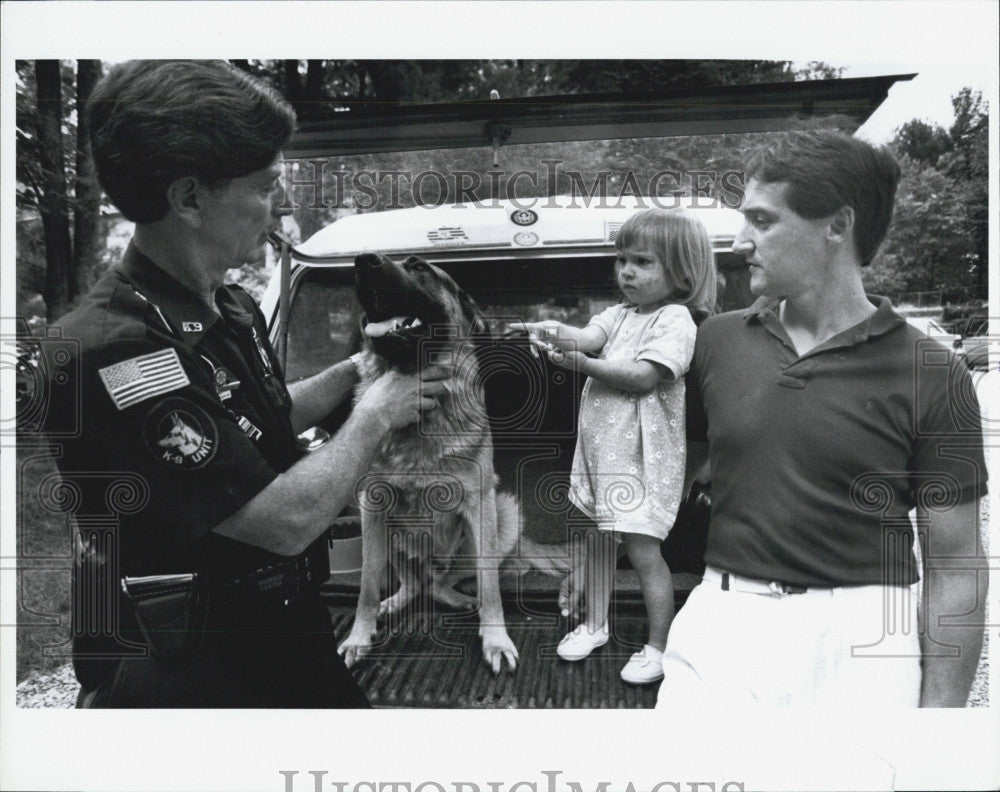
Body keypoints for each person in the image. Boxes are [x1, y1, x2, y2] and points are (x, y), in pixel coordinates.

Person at [43, 60, 449, 708]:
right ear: (189, 197)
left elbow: (257, 423)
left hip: (281, 627)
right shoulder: (115, 352)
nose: (278, 206)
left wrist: (359, 369)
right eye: (264, 187)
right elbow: (283, 521)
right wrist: (376, 411)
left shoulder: (224, 307)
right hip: (192, 668)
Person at [655, 130, 988, 708]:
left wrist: (941, 733)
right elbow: (661, 459)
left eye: (763, 220)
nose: (740, 242)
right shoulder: (716, 342)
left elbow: (955, 567)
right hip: (721, 621)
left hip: (862, 637)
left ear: (837, 226)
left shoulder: (932, 371)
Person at [514, 208, 717, 684]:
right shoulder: (618, 314)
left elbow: (644, 378)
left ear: (682, 272)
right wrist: (550, 331)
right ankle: (596, 625)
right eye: (621, 259)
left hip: (642, 463)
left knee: (645, 555)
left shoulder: (676, 320)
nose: (625, 271)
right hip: (603, 456)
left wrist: (580, 363)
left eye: (642, 262)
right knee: (597, 545)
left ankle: (658, 646)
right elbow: (585, 335)